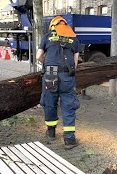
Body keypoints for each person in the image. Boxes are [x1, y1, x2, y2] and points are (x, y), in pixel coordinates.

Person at [37, 16, 81, 149]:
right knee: (68, 103)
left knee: (50, 102)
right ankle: (69, 138)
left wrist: (46, 64)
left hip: (50, 72)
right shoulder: (74, 38)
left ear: (53, 26)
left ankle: (51, 132)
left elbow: (38, 56)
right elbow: (75, 62)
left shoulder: (47, 36)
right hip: (67, 74)